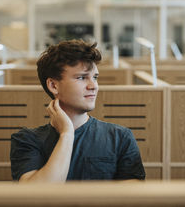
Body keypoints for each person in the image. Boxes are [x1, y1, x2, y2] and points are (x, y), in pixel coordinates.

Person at [10, 39, 145, 182]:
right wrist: (67, 134)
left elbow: (133, 198)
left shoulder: (120, 137)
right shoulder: (27, 140)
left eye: (95, 77)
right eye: (82, 77)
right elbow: (36, 196)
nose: (93, 86)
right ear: (53, 86)